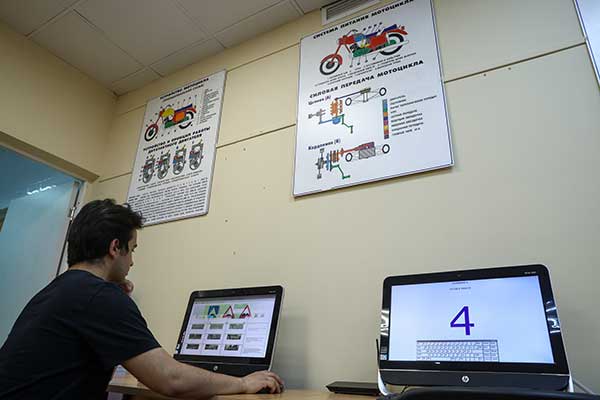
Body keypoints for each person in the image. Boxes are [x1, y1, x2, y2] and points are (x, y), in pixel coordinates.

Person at [0, 199, 283, 399]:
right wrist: (243, 383)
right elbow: (171, 380)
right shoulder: (99, 296)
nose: (132, 262)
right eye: (132, 249)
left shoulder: (57, 291)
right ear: (115, 248)